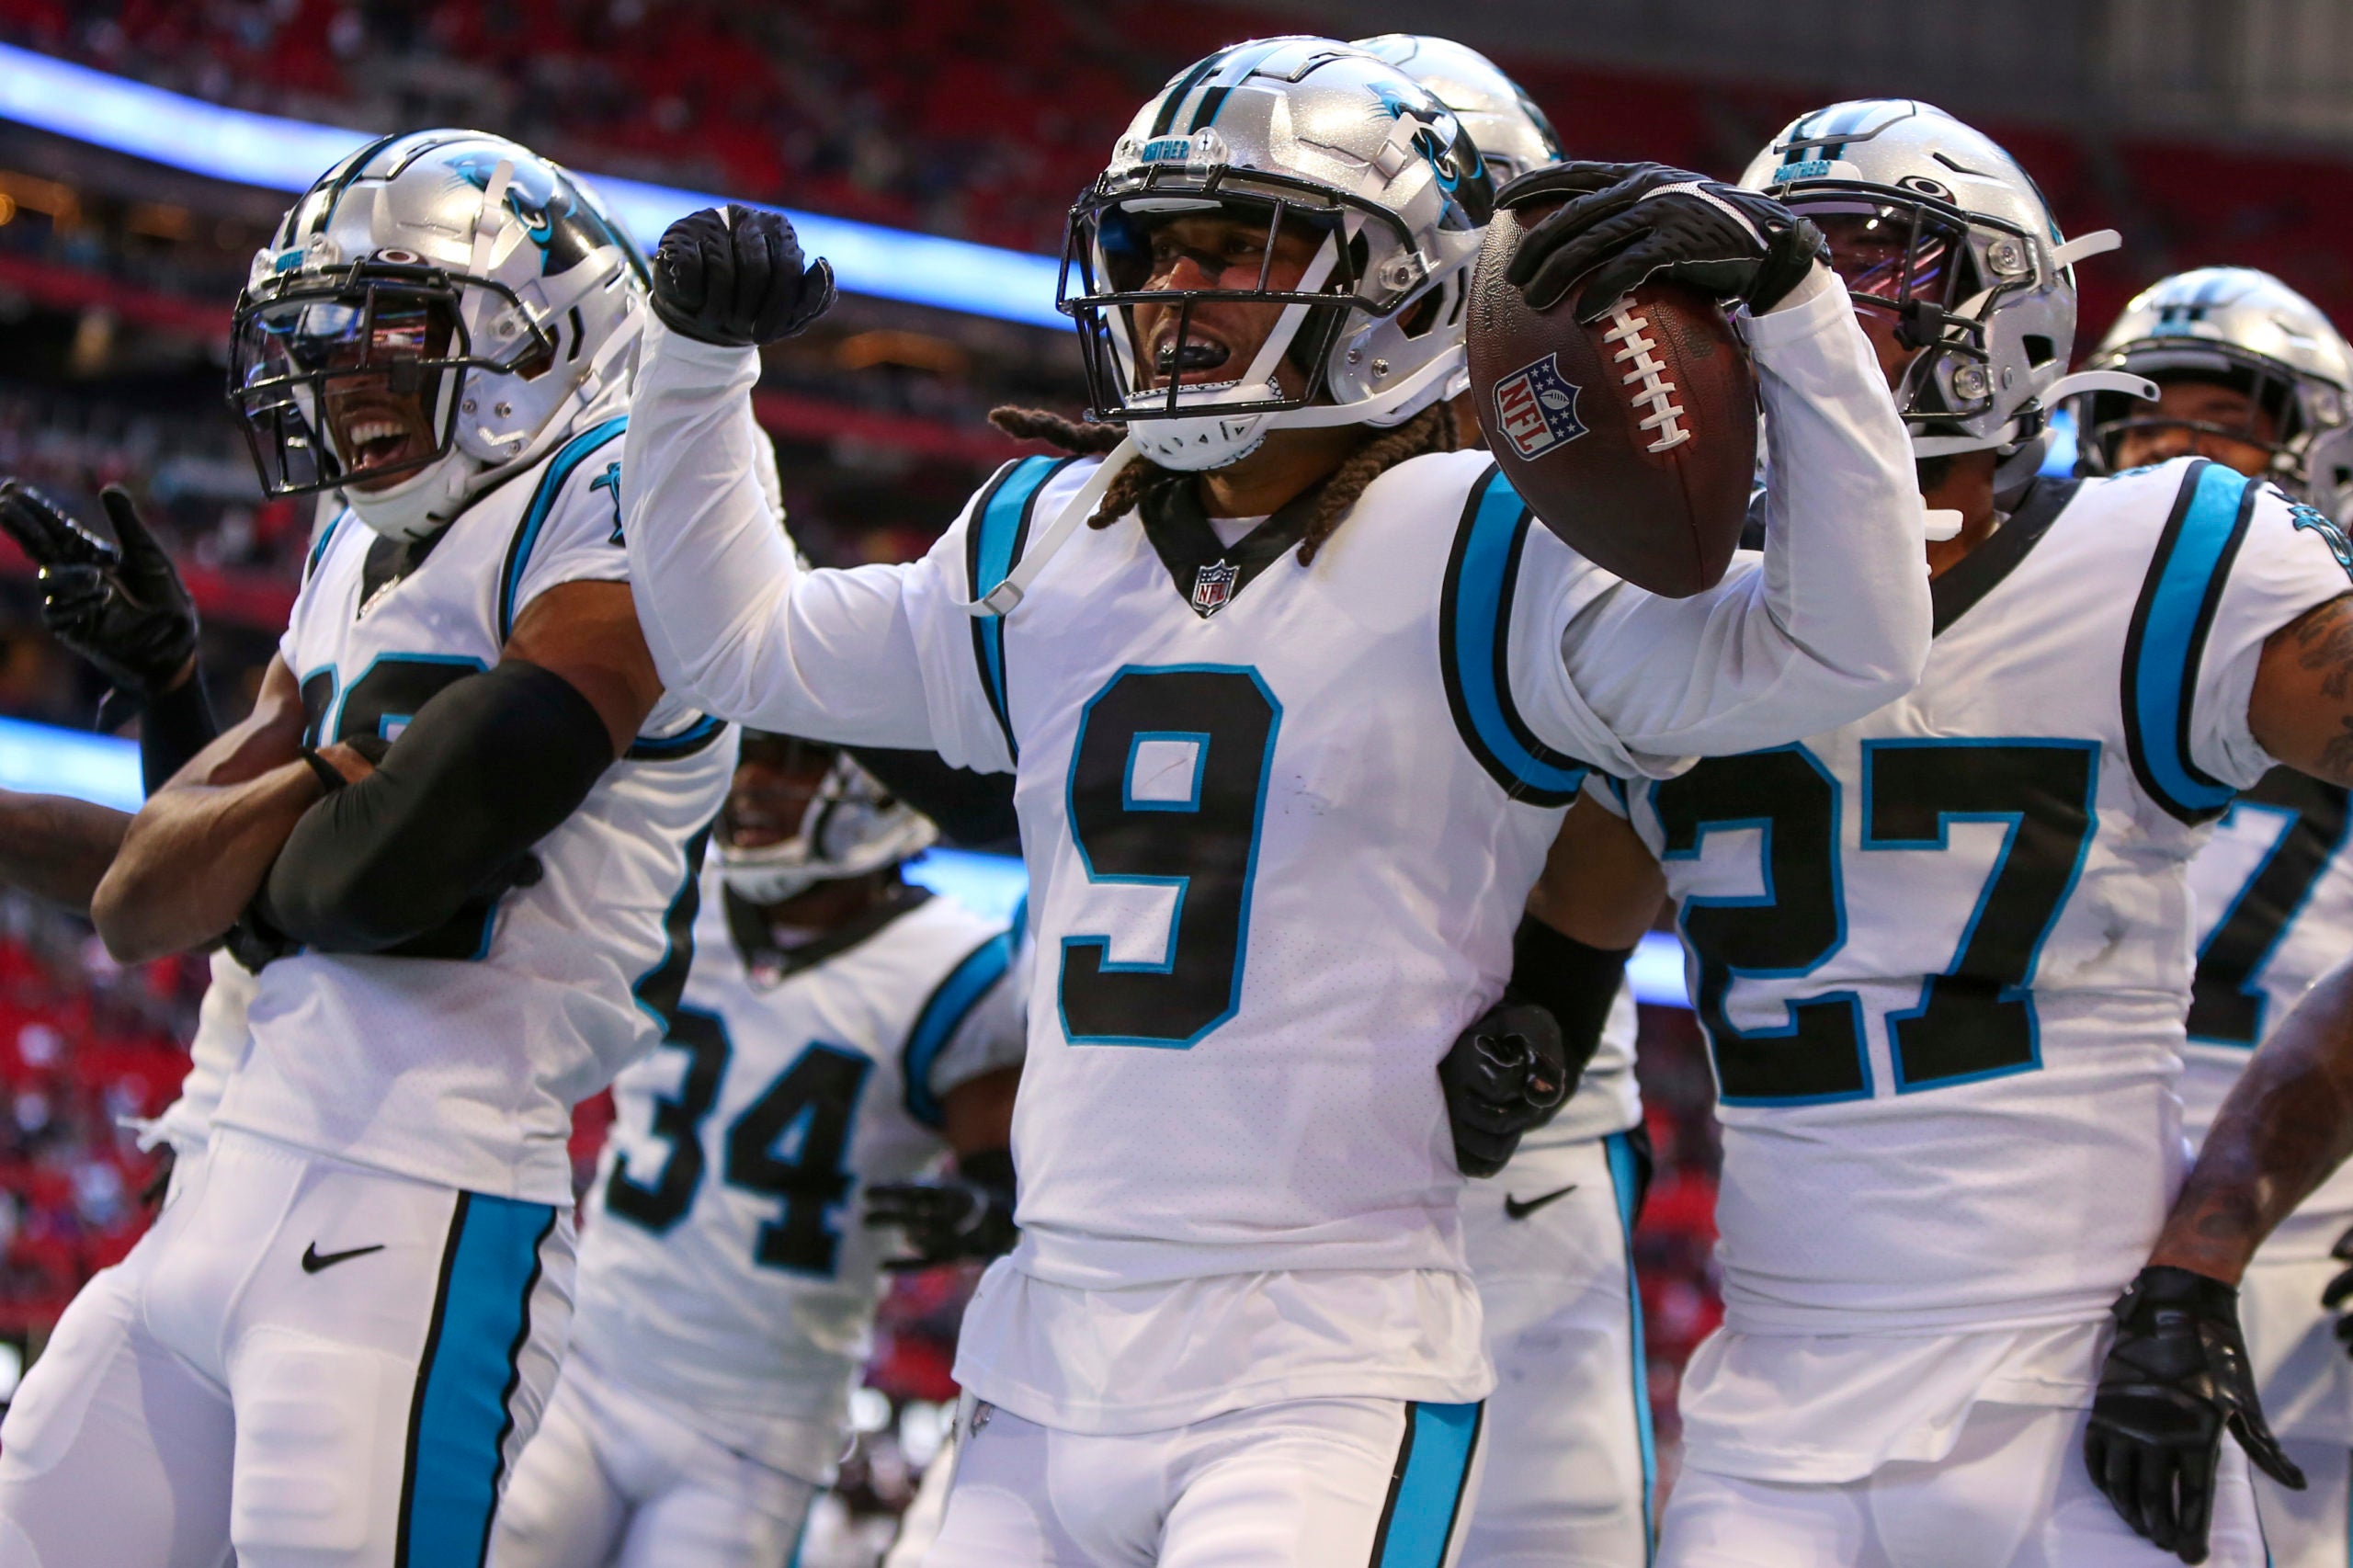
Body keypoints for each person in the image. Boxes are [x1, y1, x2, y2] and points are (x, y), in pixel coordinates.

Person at [619, 33, 1930, 1564]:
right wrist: (696, 370)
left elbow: (1838, 643)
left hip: (1333, 1330)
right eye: (1151, 247)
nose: (1171, 289)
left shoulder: (1490, 541)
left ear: (1418, 295)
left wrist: (1798, 313)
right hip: (1051, 1333)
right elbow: (738, 642)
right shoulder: (1050, 531)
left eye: (1237, 249)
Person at [1506, 98, 2353, 1567]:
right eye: (1770, 290)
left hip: (2084, 1376)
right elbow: (1565, 952)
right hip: (1770, 1408)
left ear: (2010, 312)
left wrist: (2206, 1252)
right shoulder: (1661, 621)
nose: (1815, 323)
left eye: (1869, 274)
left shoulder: (2164, 559)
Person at [0, 130, 733, 1567]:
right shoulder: (358, 539)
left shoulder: (633, 500)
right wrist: (176, 705)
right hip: (224, 1184)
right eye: (321, 353)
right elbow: (191, 880)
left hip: (422, 1195)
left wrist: (232, 857)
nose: (346, 387)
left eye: (393, 338)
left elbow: (381, 876)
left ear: (544, 325)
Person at [1356, 32, 1665, 1566]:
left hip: (1522, 1119)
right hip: (1251, 1117)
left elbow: (1659, 759)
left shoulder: (1585, 453)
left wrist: (1561, 989)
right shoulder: (1213, 466)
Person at [490, 734, 1024, 1568]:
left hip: (759, 1424)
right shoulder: (675, 888)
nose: (756, 783)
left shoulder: (960, 967)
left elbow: (1010, 1190)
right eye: (754, 754)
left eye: (798, 759)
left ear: (884, 780)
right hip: (588, 1364)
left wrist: (990, 1209)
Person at [2063, 268, 2353, 1566]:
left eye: (2220, 425)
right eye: (2142, 426)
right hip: (2079, 1236)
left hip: (2308, 1242)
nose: (2175, 458)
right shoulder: (2056, 656)